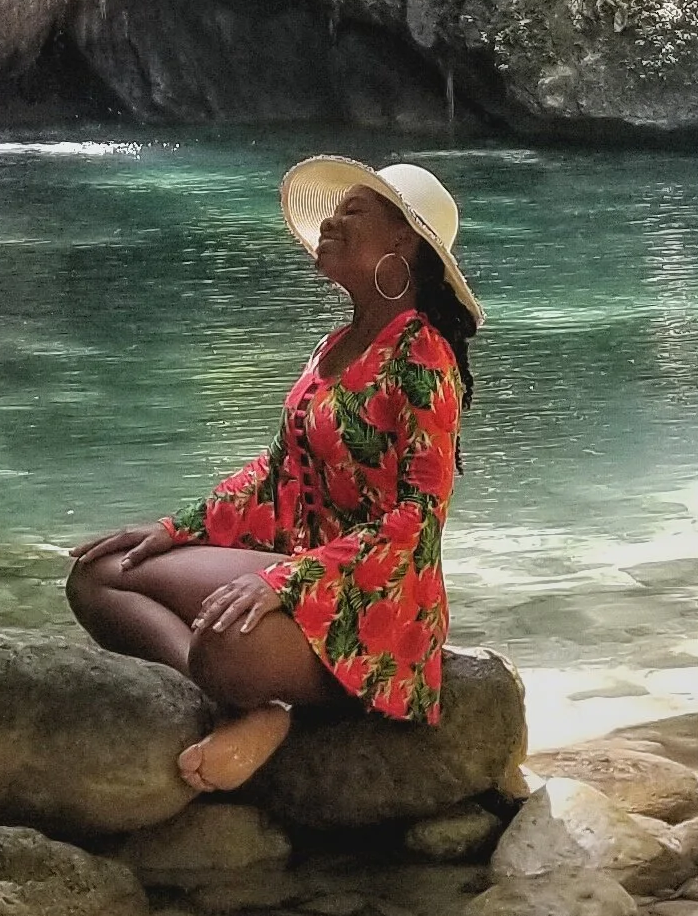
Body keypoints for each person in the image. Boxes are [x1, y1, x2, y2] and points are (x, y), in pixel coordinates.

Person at [68, 155, 482, 793]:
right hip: (302, 573)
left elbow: (419, 518)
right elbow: (278, 475)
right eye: (333, 211)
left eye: (354, 211)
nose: (331, 223)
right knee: (100, 576)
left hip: (379, 605)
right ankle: (251, 713)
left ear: (402, 241)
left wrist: (288, 581)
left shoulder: (422, 355)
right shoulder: (335, 345)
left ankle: (257, 703)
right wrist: (174, 529)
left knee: (224, 645)